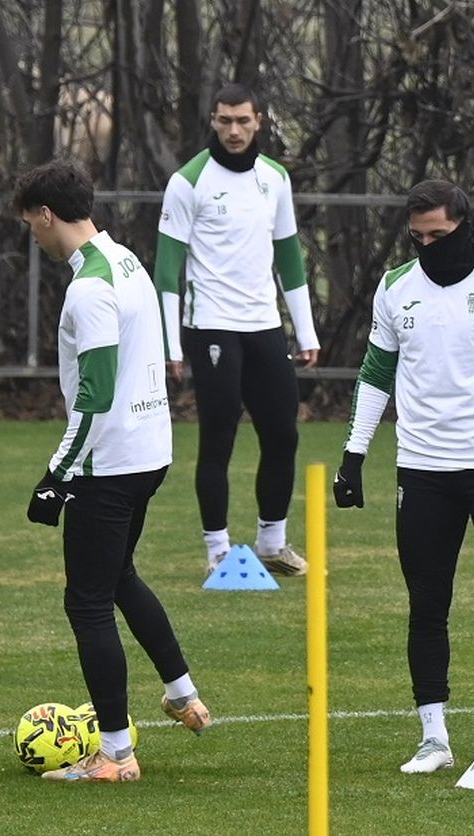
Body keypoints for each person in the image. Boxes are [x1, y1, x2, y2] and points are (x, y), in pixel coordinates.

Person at [333, 180, 474, 777]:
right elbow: (375, 375)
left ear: (466, 226)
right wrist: (354, 456)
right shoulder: (395, 288)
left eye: (440, 235)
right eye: (418, 237)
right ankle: (434, 737)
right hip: (422, 469)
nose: (429, 246)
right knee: (427, 603)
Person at [15, 160, 213, 783]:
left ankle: (116, 754)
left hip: (110, 464)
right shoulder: (126, 260)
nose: (35, 238)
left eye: (31, 226)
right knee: (120, 576)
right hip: (148, 453)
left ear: (47, 214)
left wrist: (57, 474)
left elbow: (95, 394)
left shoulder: (91, 287)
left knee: (87, 603)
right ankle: (182, 694)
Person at [155, 82, 319, 575]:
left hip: (264, 326)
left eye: (242, 121)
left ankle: (273, 542)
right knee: (219, 436)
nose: (233, 130)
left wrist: (306, 332)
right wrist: (171, 344)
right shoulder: (189, 181)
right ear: (212, 120)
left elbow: (290, 259)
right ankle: (218, 550)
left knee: (282, 435)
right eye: (224, 121)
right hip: (211, 329)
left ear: (259, 121)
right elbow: (167, 268)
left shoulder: (275, 178)